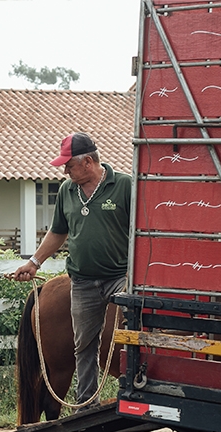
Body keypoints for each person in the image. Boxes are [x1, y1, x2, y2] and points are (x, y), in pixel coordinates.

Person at [13, 132, 132, 411]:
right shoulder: (67, 191)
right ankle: (86, 403)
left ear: (88, 162)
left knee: (134, 333)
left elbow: (140, 229)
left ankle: (133, 389)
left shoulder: (124, 186)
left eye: (69, 165)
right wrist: (34, 262)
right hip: (82, 281)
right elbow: (58, 232)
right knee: (84, 345)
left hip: (121, 278)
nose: (65, 171)